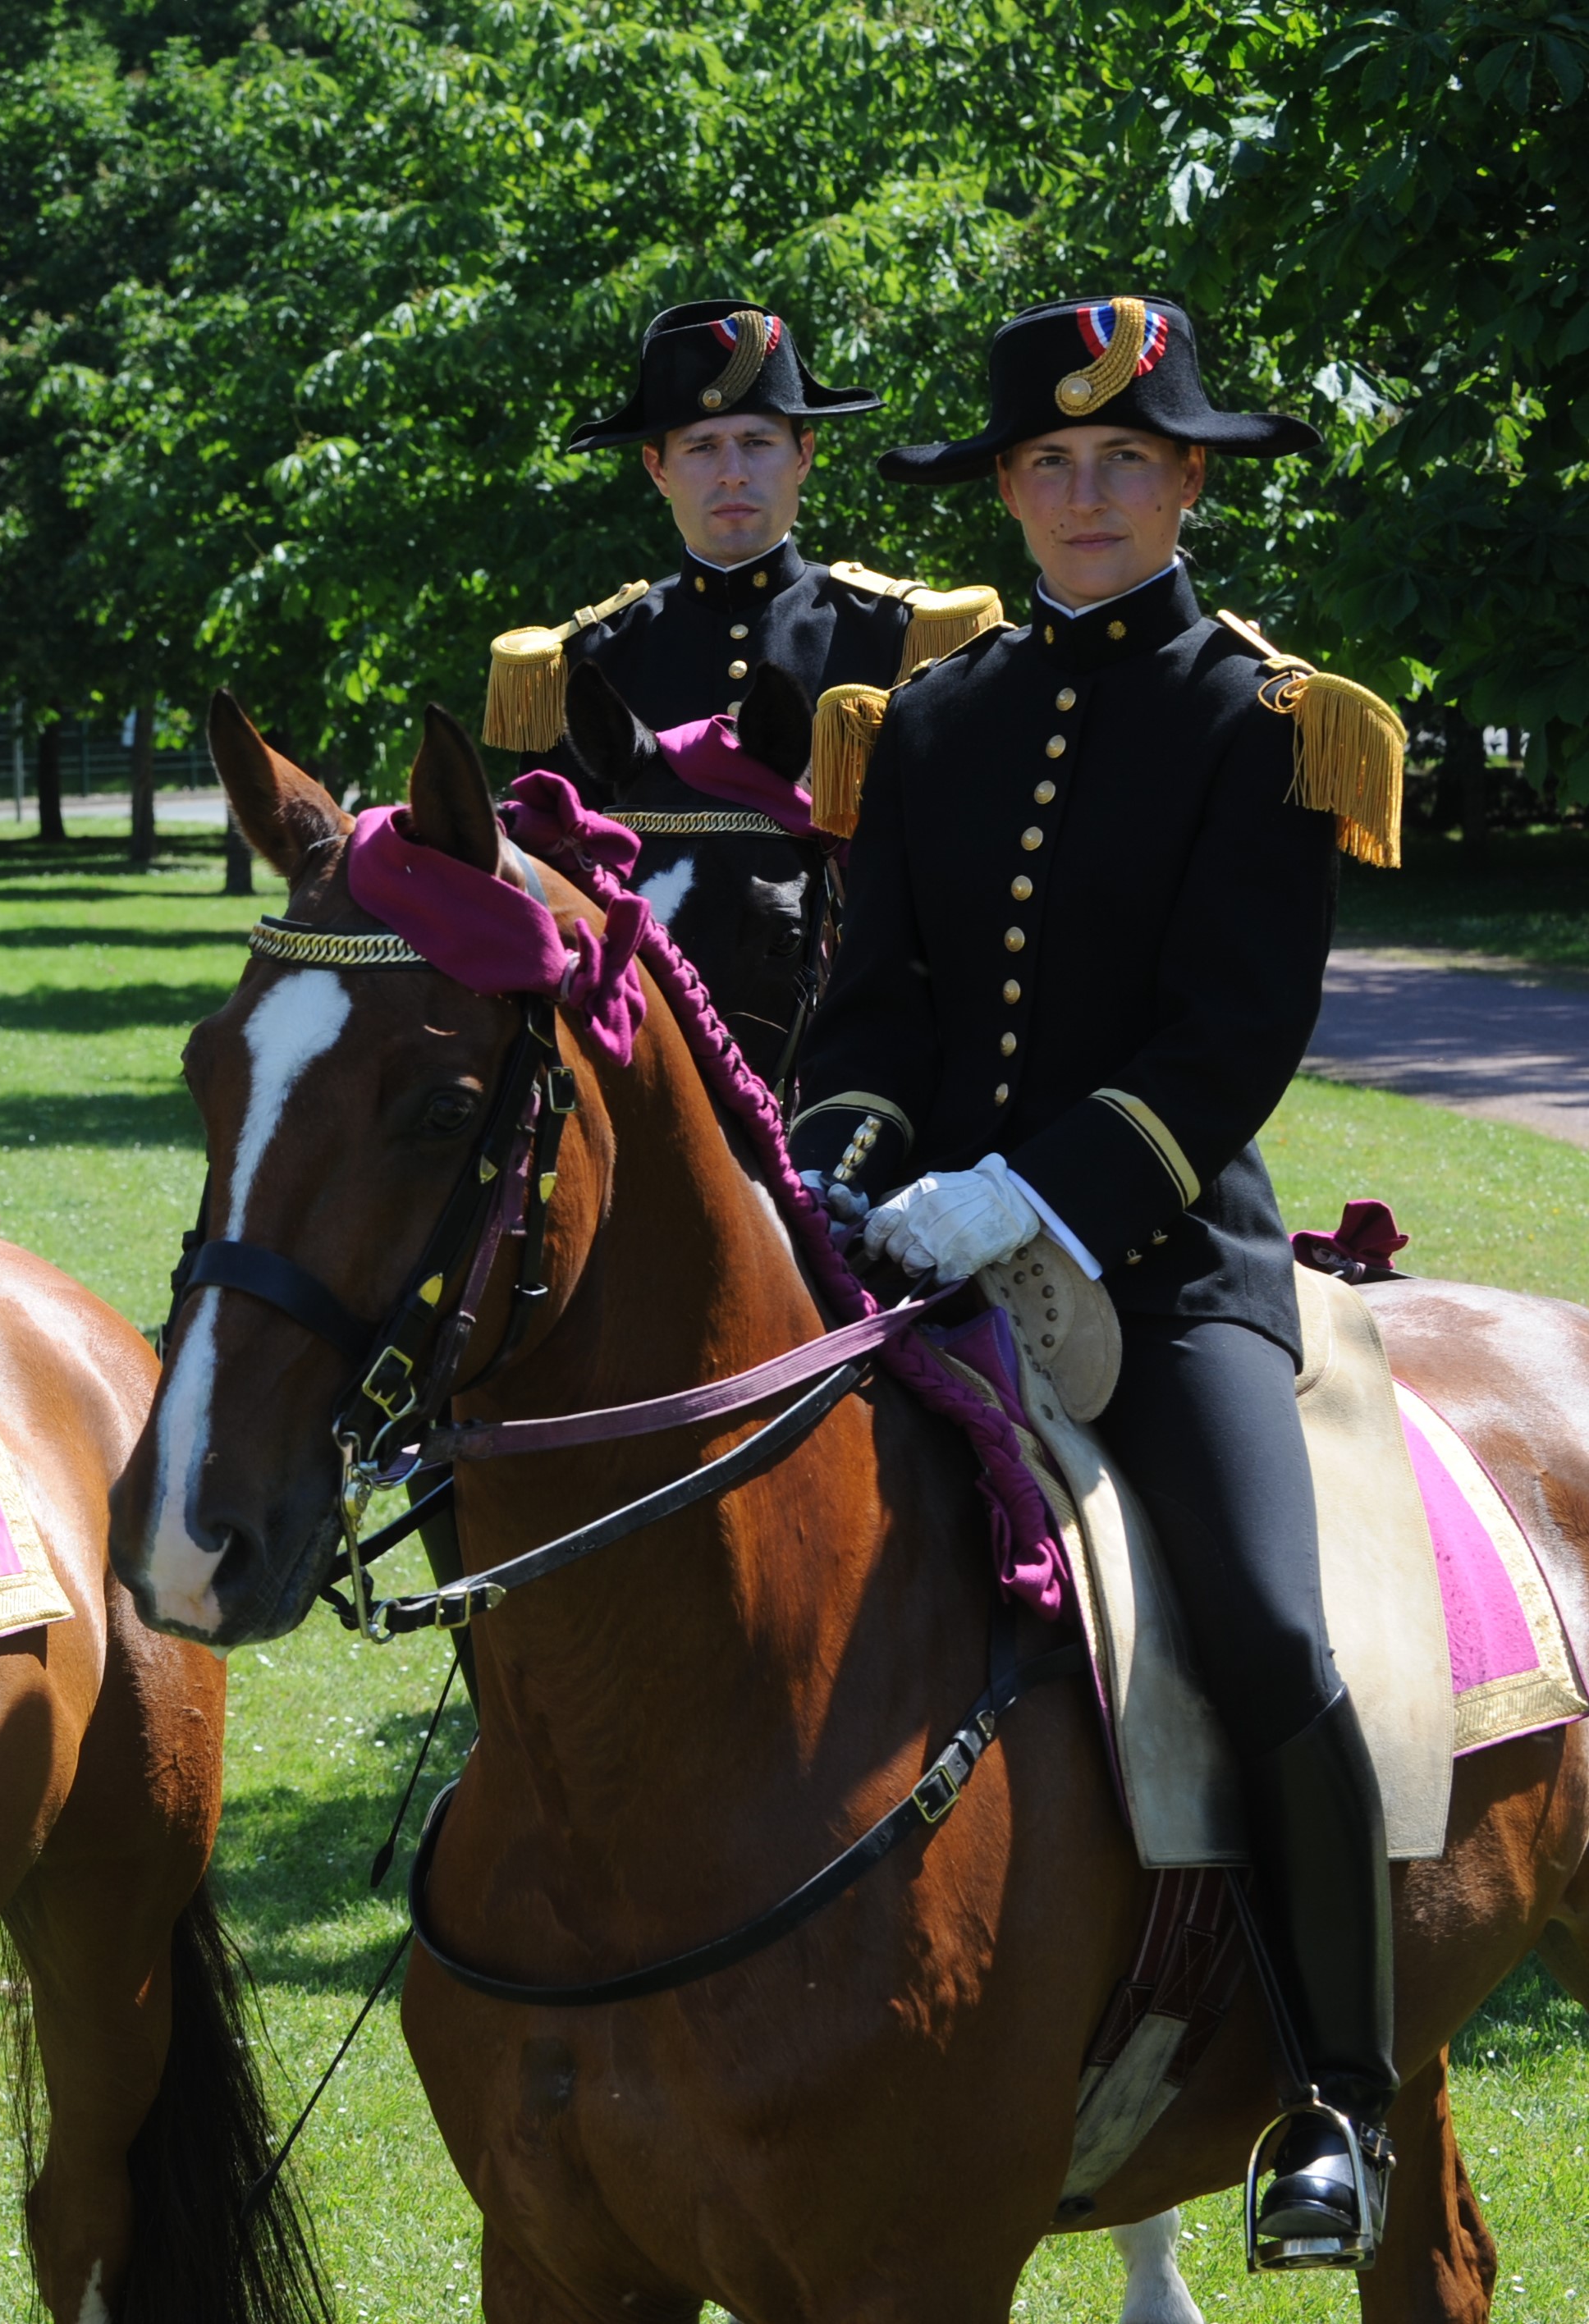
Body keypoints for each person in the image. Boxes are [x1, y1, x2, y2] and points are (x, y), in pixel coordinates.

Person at [786, 296, 1406, 2271]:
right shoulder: (926, 723)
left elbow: (1231, 1041)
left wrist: (1030, 1198)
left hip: (1161, 1265)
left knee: (1267, 1630)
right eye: (1048, 464)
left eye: (1121, 459)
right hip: (914, 1265)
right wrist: (857, 1168)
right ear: (1004, 491)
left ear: (1187, 479)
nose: (1082, 494)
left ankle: (1332, 2098)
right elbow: (869, 1007)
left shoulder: (1270, 720)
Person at [486, 298, 1003, 760]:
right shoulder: (592, 657)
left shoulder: (899, 635)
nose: (733, 472)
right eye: (702, 447)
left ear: (803, 456)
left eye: (757, 442)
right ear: (657, 469)